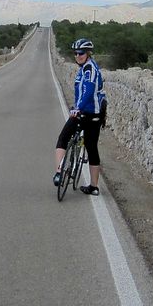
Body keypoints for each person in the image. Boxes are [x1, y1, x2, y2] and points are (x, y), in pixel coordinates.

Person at [53, 37, 107, 195]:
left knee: (75, 142)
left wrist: (78, 108)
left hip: (88, 113)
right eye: (75, 53)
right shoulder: (83, 69)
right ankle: (61, 173)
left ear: (88, 53)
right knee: (80, 144)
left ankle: (91, 185)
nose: (77, 56)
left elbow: (89, 91)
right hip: (86, 112)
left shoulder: (90, 69)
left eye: (81, 53)